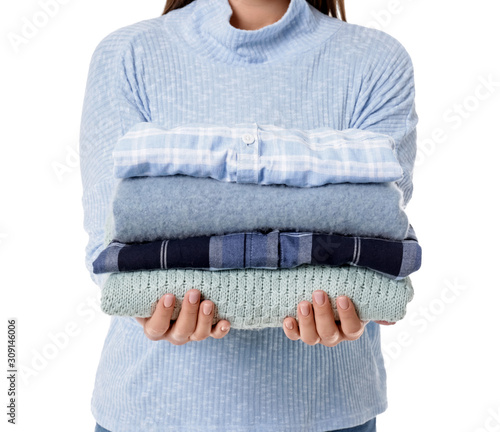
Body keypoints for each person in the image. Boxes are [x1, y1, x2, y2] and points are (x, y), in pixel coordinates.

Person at [79, 0, 418, 430]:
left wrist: (364, 298)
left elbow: (380, 244)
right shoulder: (130, 54)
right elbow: (109, 250)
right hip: (152, 410)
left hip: (328, 415)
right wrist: (145, 298)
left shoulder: (376, 61)